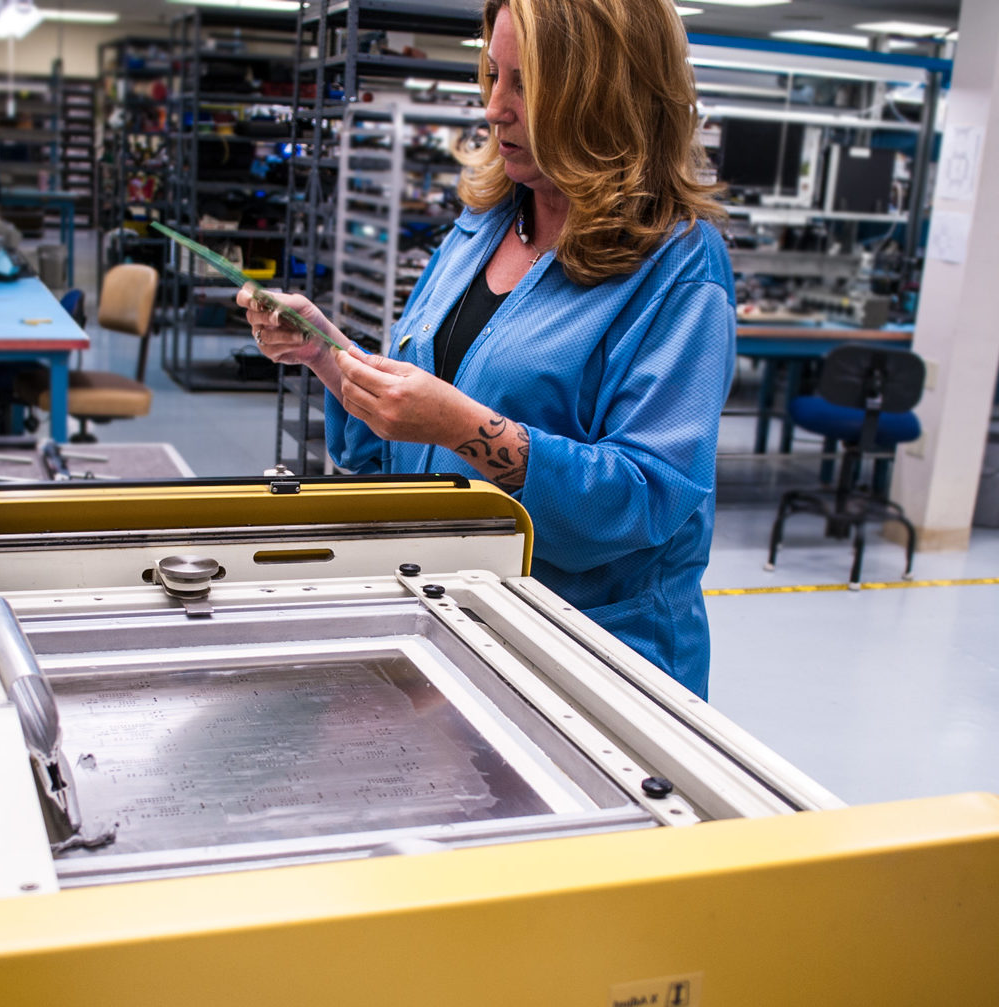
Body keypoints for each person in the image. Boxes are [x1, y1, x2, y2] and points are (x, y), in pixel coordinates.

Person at [238, 0, 735, 698]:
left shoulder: (677, 267)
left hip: (594, 658)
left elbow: (649, 497)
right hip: (454, 621)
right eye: (493, 76)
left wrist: (461, 427)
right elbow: (397, 438)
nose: (495, 109)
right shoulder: (485, 223)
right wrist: (326, 351)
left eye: (526, 84)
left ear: (602, 93)